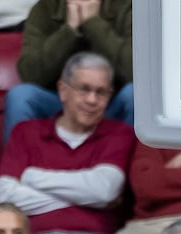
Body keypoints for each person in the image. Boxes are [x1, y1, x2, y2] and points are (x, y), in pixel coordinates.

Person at [0, 52, 137, 234]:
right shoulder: (27, 132)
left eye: (101, 92)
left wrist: (31, 177)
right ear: (63, 90)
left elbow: (105, 190)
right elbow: (4, 196)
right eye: (84, 89)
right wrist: (82, 196)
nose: (92, 101)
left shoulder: (118, 133)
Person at [7, 0, 133, 137]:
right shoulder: (45, 8)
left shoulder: (126, 6)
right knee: (21, 96)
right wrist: (69, 31)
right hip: (60, 103)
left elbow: (134, 71)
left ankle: (140, 158)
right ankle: (20, 157)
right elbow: (30, 74)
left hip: (111, 101)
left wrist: (93, 23)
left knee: (134, 94)